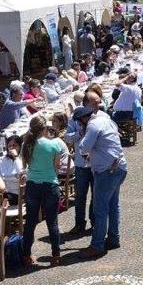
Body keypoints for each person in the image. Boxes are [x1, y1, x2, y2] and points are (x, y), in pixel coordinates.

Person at [76, 103, 127, 259]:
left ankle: (97, 245)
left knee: (100, 210)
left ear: (83, 119)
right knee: (113, 205)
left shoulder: (92, 126)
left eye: (79, 122)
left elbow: (83, 148)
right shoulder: (106, 120)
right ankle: (113, 238)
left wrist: (82, 135)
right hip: (120, 166)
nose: (79, 124)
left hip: (106, 171)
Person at [20, 114, 66, 267]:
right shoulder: (54, 145)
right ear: (44, 128)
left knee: (30, 222)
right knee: (52, 221)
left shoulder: (27, 145)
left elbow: (25, 165)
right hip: (49, 185)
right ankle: (56, 254)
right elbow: (57, 167)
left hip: (32, 185)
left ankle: (26, 254)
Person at [0, 134, 24, 208]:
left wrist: (16, 157)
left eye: (14, 145)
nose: (12, 148)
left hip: (19, 194)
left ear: (20, 146)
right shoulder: (5, 159)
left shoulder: (23, 159)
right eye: (9, 146)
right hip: (6, 191)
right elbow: (0, 174)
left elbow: (21, 173)